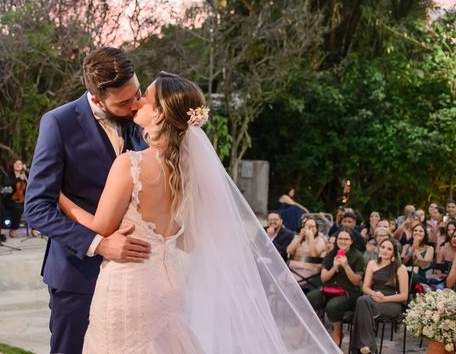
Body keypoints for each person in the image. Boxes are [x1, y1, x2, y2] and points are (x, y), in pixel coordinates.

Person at [58, 73, 341, 353]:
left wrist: (62, 199)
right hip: (170, 288)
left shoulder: (129, 165)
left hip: (130, 286)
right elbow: (189, 241)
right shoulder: (190, 173)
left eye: (147, 97)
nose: (138, 100)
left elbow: (101, 227)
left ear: (159, 116)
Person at [25, 47, 149, 354]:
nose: (136, 104)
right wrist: (99, 243)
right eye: (123, 102)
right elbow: (36, 208)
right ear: (97, 97)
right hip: (77, 276)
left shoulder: (143, 121)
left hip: (134, 276)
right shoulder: (59, 123)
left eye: (137, 93)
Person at [307, 227, 366, 347]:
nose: (343, 241)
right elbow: (323, 279)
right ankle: (307, 331)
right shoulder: (331, 254)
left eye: (346, 239)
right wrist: (334, 267)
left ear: (351, 241)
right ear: (336, 240)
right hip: (328, 289)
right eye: (340, 238)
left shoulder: (358, 257)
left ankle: (337, 335)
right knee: (309, 298)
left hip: (348, 292)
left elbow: (356, 282)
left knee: (333, 306)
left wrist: (345, 265)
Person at [349, 238, 409, 354]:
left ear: (394, 252)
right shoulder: (372, 264)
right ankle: (368, 347)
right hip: (374, 298)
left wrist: (384, 299)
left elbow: (404, 296)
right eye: (383, 247)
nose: (385, 251)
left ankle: (366, 347)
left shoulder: (400, 268)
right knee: (362, 300)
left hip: (392, 302)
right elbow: (365, 288)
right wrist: (374, 293)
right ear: (378, 248)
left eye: (389, 249)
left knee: (363, 303)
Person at [286, 216, 327, 290]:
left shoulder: (320, 240)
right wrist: (300, 237)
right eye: (307, 226)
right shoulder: (298, 238)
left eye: (312, 227)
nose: (310, 228)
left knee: (290, 283)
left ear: (316, 228)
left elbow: (314, 255)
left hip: (308, 271)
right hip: (293, 269)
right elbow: (289, 250)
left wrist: (311, 237)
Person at [3, 158, 28, 239]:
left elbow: (30, 187)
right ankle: (13, 229)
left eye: (20, 164)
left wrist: (25, 176)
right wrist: (18, 179)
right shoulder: (9, 176)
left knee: (32, 206)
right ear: (13, 165)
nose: (18, 165)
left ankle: (34, 229)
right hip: (10, 199)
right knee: (18, 208)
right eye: (16, 163)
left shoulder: (25, 176)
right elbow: (7, 187)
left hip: (22, 199)